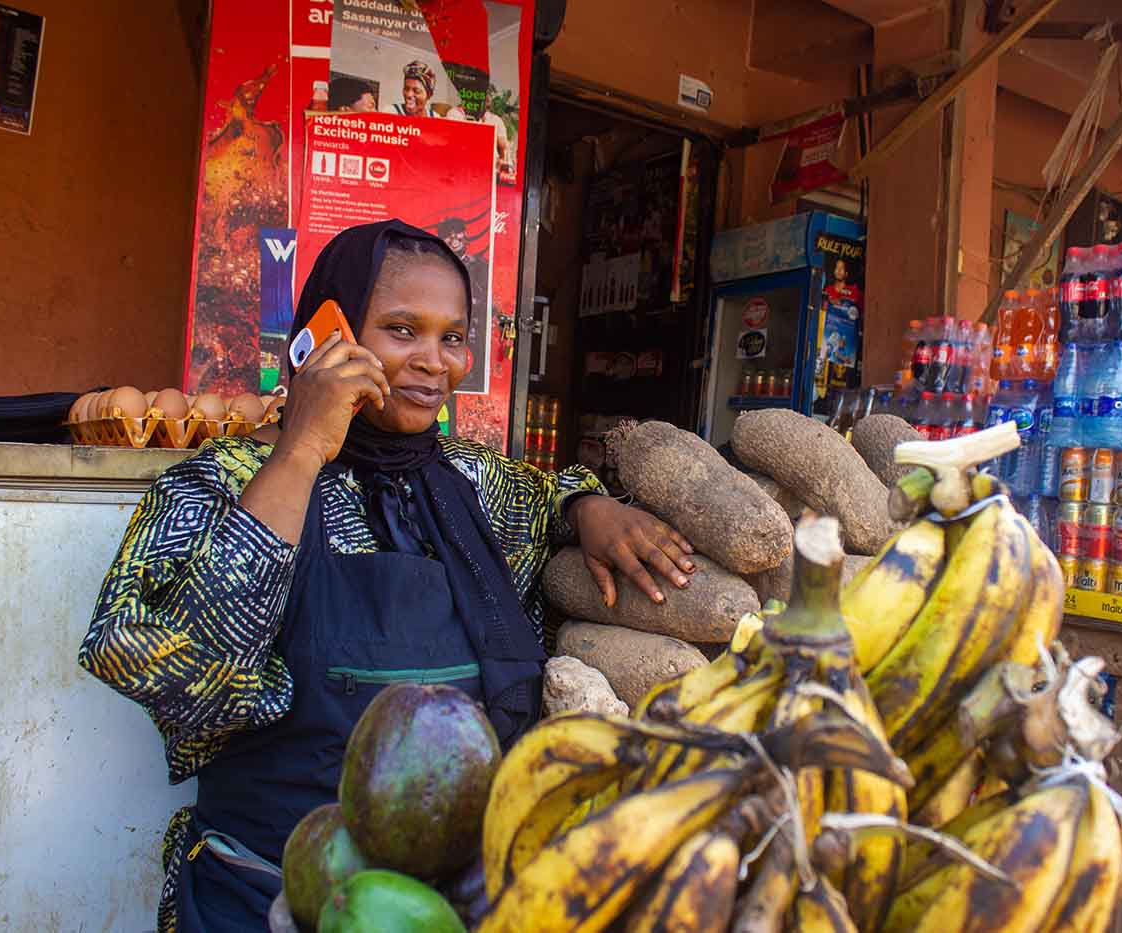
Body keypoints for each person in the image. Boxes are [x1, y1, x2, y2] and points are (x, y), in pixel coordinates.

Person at [79, 220, 696, 932]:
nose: (435, 362)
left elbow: (548, 494)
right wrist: (303, 447)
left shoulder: (474, 485)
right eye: (402, 330)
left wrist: (588, 505)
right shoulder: (213, 486)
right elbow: (187, 682)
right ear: (325, 333)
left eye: (453, 337)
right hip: (266, 896)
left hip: (442, 907)